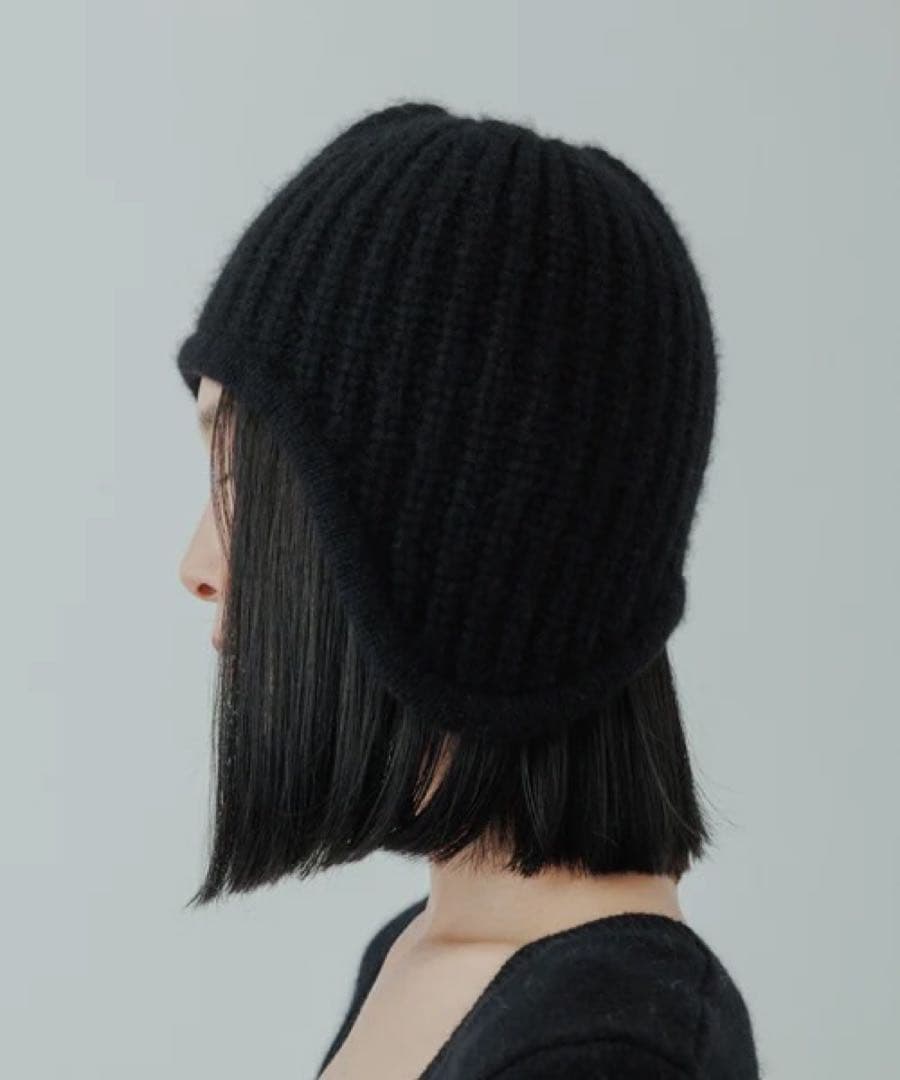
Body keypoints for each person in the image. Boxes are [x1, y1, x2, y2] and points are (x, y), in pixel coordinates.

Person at [176, 101, 761, 1078]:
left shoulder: (604, 1055)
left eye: (241, 483)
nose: (197, 563)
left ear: (459, 551)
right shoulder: (424, 955)